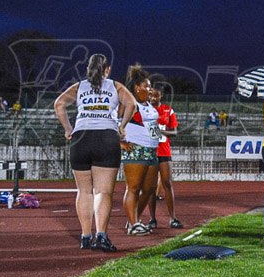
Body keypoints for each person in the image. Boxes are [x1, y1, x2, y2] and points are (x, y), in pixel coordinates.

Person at [54, 53, 136, 253]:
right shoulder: (115, 86)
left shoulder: (80, 87)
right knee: (103, 191)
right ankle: (101, 235)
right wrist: (122, 126)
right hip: (106, 137)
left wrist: (68, 128)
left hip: (81, 137)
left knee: (83, 191)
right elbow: (132, 104)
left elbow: (59, 104)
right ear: (107, 70)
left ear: (88, 70)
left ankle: (85, 236)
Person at [121, 65, 161, 236]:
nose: (150, 89)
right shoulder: (130, 103)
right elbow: (114, 120)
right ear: (137, 88)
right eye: (147, 86)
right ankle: (133, 223)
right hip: (136, 148)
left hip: (151, 150)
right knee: (134, 187)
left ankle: (134, 218)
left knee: (150, 188)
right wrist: (120, 141)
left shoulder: (149, 105)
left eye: (150, 86)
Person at [141, 86, 183, 230]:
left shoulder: (168, 110)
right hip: (150, 151)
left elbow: (175, 132)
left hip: (164, 151)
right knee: (151, 187)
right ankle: (152, 219)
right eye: (151, 95)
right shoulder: (144, 110)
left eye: (156, 96)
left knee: (167, 183)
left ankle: (173, 218)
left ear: (161, 96)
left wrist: (161, 131)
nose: (153, 98)